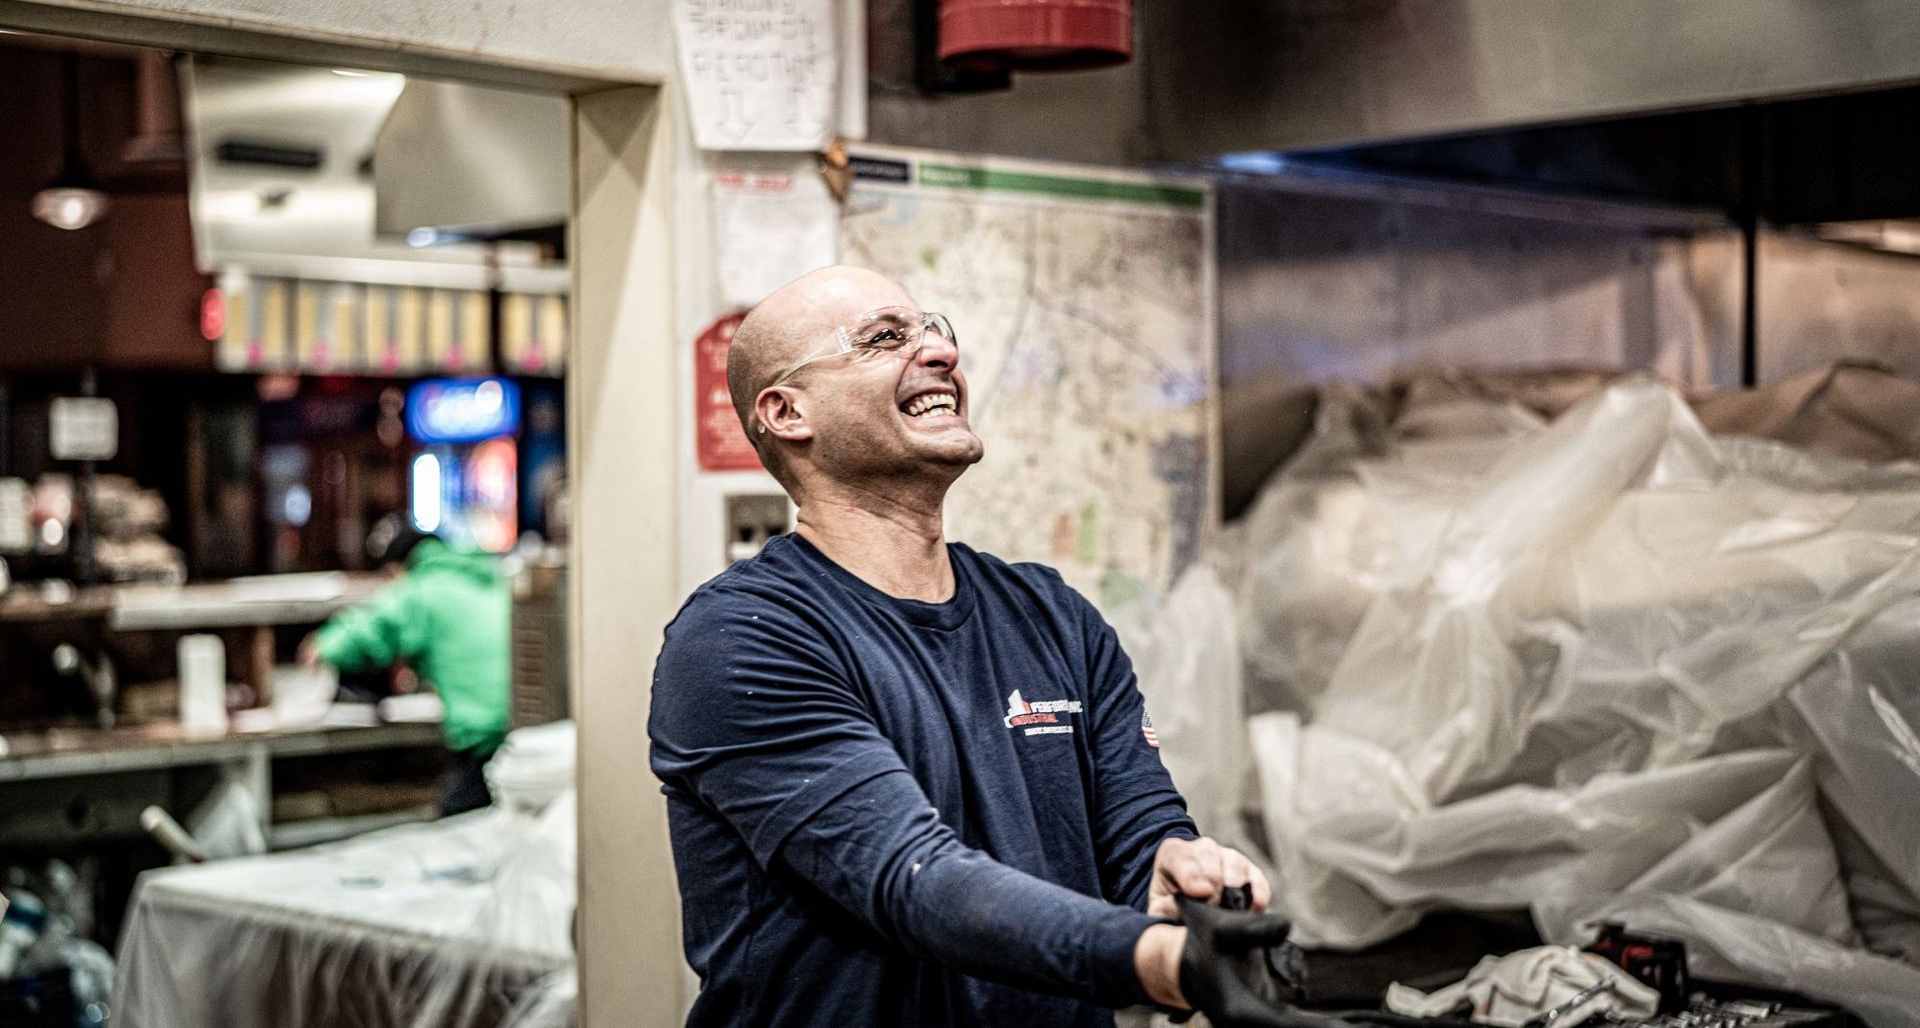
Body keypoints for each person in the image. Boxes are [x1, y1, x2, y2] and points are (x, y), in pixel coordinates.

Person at [649, 266, 1279, 1027]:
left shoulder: (1054, 616)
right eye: (885, 338)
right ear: (787, 413)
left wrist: (1186, 878)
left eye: (934, 329)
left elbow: (1138, 838)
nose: (940, 352)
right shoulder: (742, 640)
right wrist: (1159, 963)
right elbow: (915, 883)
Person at [300, 517, 510, 815]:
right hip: (521, 723)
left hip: (482, 732)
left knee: (460, 824)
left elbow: (371, 628)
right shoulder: (482, 577)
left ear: (397, 568)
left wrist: (321, 645)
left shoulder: (420, 588)